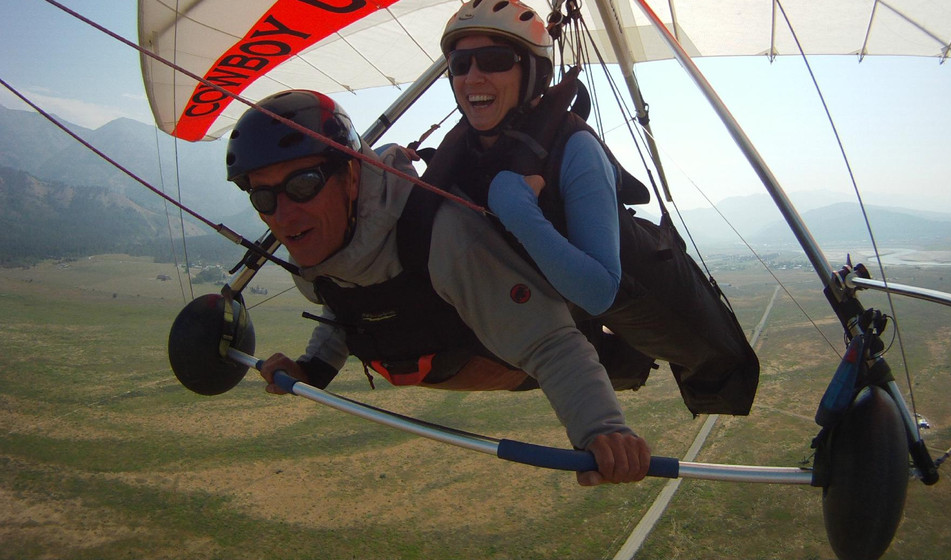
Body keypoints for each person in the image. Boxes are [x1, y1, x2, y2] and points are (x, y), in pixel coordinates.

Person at [224, 89, 650, 486]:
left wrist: (602, 431)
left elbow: (550, 343)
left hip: (509, 354)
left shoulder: (444, 239)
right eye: (264, 198)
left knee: (621, 353)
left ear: (351, 175)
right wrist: (313, 370)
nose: (283, 215)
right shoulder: (315, 244)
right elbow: (347, 300)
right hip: (443, 354)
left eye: (303, 184)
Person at [434, 0, 760, 418]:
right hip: (552, 286)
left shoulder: (576, 148)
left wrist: (519, 214)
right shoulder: (465, 152)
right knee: (607, 359)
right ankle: (627, 363)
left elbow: (600, 290)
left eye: (494, 61)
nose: (473, 77)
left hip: (634, 283)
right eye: (460, 65)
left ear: (532, 72)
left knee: (711, 357)